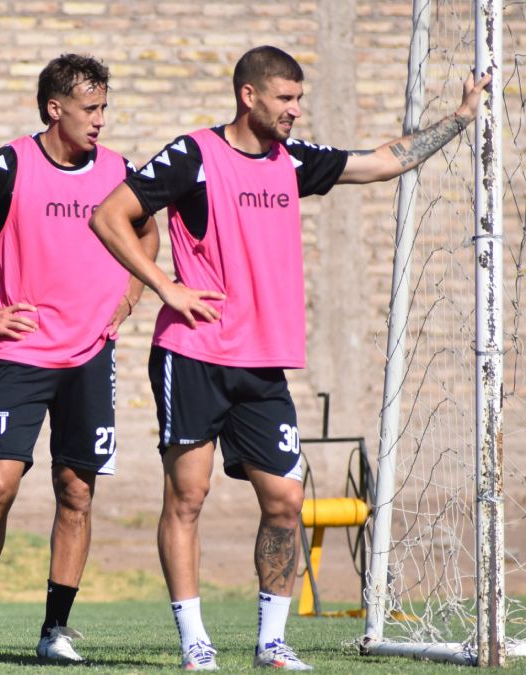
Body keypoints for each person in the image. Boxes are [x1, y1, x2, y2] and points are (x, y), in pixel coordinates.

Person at [89, 45, 491, 671]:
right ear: (248, 96)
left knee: (284, 500)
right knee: (187, 500)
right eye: (285, 98)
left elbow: (383, 162)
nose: (296, 111)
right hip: (193, 354)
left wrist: (461, 117)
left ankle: (271, 641)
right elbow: (109, 216)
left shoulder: (292, 161)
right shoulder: (194, 156)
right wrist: (164, 287)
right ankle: (195, 641)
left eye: (299, 99)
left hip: (264, 364)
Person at [0, 54, 157, 664]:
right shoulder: (9, 166)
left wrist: (128, 296)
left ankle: (55, 633)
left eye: (104, 108)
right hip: (20, 355)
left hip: (90, 358)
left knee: (76, 490)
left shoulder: (120, 171)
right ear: (55, 109)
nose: (100, 120)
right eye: (89, 108)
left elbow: (149, 230)